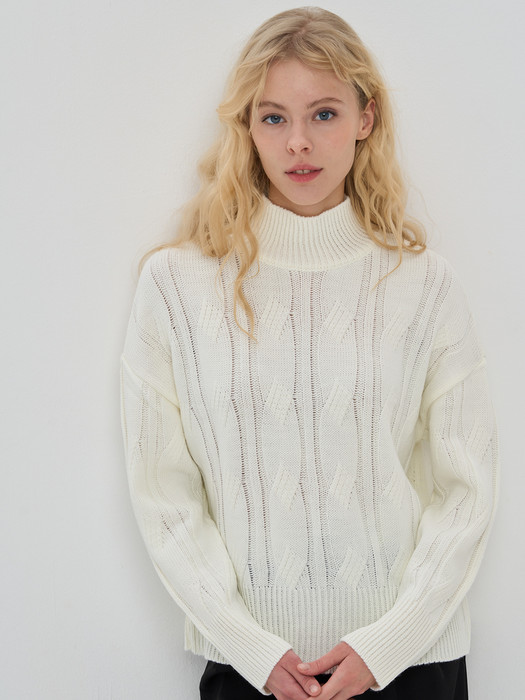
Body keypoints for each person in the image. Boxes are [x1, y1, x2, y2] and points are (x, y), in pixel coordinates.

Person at [119, 7, 498, 700]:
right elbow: (162, 495)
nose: (298, 142)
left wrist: (387, 645)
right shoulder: (175, 287)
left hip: (409, 668)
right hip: (254, 674)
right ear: (247, 126)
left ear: (365, 119)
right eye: (273, 118)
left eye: (324, 114)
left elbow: (466, 491)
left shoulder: (424, 286)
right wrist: (250, 648)